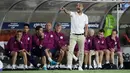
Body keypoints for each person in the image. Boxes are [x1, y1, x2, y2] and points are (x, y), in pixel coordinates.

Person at [61, 3, 88, 71]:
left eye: (79, 6)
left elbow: (86, 26)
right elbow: (67, 12)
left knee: (81, 51)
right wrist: (64, 10)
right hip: (73, 35)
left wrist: (86, 33)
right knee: (70, 50)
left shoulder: (85, 16)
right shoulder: (73, 14)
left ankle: (80, 66)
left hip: (81, 35)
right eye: (77, 6)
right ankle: (69, 65)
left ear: (82, 7)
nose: (78, 7)